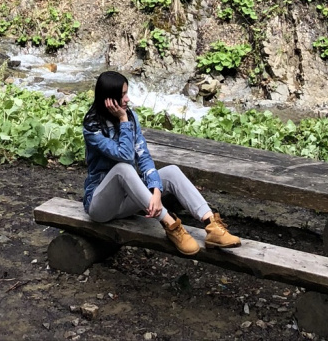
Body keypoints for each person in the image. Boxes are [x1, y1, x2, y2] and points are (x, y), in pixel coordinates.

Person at [82, 70, 241, 257]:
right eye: (122, 94)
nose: (127, 99)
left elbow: (144, 157)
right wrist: (123, 119)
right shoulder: (92, 127)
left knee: (172, 171)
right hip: (100, 206)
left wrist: (156, 191)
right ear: (109, 99)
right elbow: (125, 156)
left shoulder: (131, 117)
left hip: (130, 200)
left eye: (127, 93)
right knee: (123, 169)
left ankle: (212, 226)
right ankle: (170, 225)